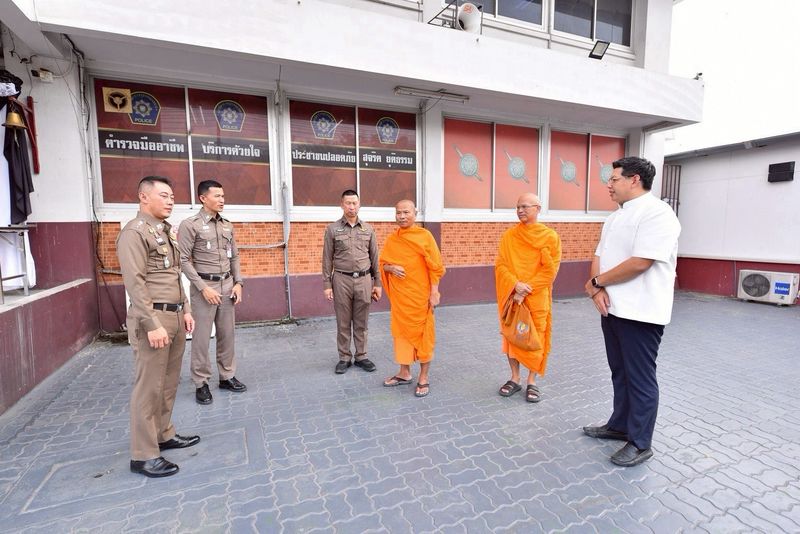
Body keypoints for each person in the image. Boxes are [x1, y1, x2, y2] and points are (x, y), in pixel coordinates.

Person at [582, 156, 681, 467]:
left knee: (640, 378)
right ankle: (620, 425)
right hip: (612, 308)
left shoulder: (658, 214)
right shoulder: (616, 217)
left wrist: (597, 281)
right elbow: (599, 254)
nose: (608, 185)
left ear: (634, 179)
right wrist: (597, 289)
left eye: (614, 179)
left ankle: (640, 442)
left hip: (642, 312)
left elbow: (641, 262)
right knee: (619, 371)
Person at [117, 176, 199, 478]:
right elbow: (135, 284)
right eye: (163, 195)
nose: (170, 200)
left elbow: (175, 275)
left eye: (172, 196)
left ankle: (164, 433)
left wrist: (187, 309)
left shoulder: (165, 233)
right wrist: (151, 323)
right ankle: (143, 454)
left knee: (168, 383)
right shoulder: (134, 234)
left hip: (175, 317)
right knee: (148, 387)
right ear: (143, 197)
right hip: (153, 319)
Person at [178, 179, 246, 406]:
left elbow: (234, 256)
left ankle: (226, 376)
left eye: (223, 196)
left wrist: (238, 283)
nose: (222, 200)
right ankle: (201, 382)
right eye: (217, 196)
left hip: (227, 286)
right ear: (203, 198)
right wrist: (202, 287)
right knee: (201, 338)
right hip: (204, 289)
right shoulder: (191, 225)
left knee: (227, 334)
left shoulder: (227, 225)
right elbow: (184, 260)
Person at [495, 193, 562, 403]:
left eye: (525, 206)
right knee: (512, 336)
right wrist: (515, 285)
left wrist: (527, 288)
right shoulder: (509, 236)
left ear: (538, 208)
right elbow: (501, 265)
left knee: (536, 338)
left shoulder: (550, 237)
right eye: (518, 207)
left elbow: (551, 270)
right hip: (513, 296)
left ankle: (532, 380)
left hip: (536, 297)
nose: (520, 210)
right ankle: (514, 378)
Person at [380, 200, 445, 398]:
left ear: (415, 214)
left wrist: (434, 292)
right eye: (398, 212)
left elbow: (436, 267)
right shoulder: (393, 239)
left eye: (406, 212)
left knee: (424, 335)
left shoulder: (424, 237)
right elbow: (382, 264)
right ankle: (404, 372)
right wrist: (391, 268)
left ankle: (423, 377)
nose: (401, 216)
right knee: (401, 335)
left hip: (420, 297)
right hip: (401, 300)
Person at [322, 190, 382, 374]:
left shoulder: (368, 229)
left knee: (362, 321)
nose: (351, 206)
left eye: (355, 203)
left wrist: (377, 283)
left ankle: (362, 356)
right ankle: (344, 357)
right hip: (341, 280)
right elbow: (327, 259)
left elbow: (375, 257)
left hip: (364, 279)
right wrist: (327, 285)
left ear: (359, 204)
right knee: (343, 321)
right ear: (342, 205)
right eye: (348, 203)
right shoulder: (332, 229)